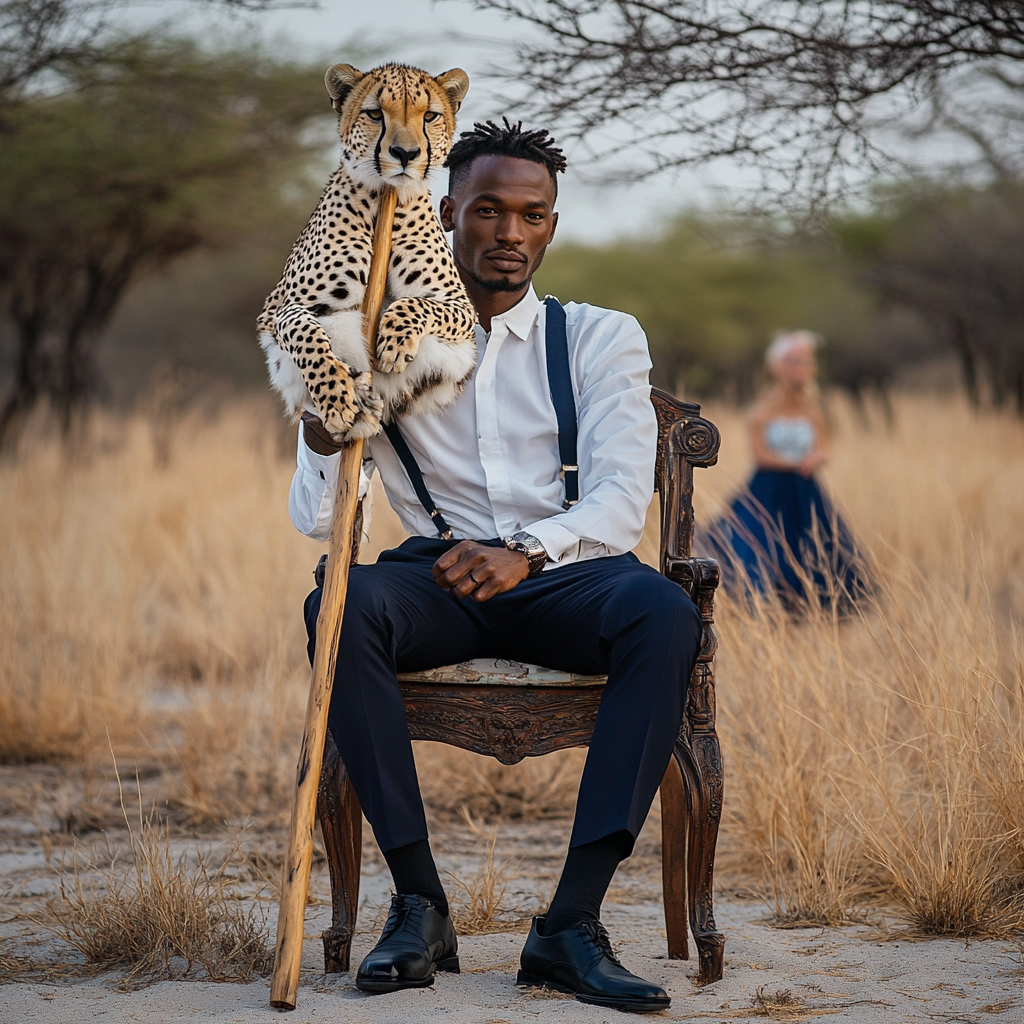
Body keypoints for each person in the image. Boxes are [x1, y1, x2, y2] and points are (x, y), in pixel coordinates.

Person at [288, 121, 701, 1013]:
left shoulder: (598, 337)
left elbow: (622, 501)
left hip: (567, 570)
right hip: (434, 575)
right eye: (488, 211)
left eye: (532, 215)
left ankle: (570, 925)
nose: (510, 232)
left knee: (664, 612)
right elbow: (316, 520)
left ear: (551, 227)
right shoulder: (373, 336)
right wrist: (324, 428)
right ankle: (419, 904)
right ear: (444, 216)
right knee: (338, 603)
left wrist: (525, 552)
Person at [706, 331, 862, 607]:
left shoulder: (813, 408)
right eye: (793, 361)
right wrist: (797, 462)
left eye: (804, 361)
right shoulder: (762, 409)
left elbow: (823, 445)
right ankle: (766, 600)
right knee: (764, 540)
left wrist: (817, 457)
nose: (799, 368)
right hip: (769, 486)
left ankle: (816, 601)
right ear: (777, 366)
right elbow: (761, 455)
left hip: (805, 486)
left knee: (816, 541)